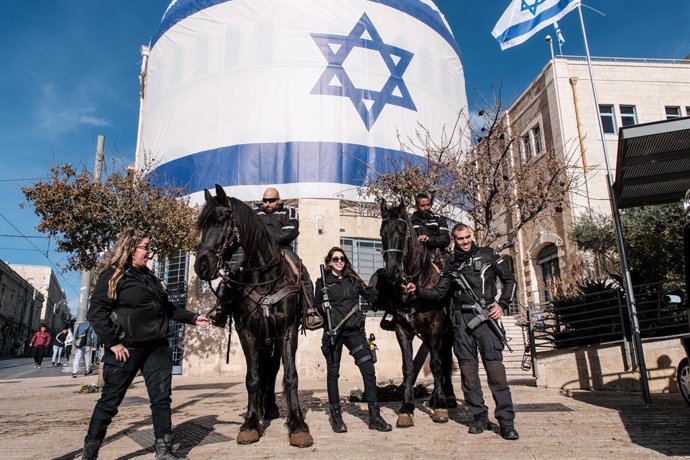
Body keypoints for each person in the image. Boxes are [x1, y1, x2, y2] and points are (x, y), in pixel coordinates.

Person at [82, 228, 211, 460]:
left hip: (157, 348)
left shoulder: (150, 277)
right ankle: (90, 453)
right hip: (127, 349)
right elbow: (97, 313)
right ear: (131, 249)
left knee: (161, 399)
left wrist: (193, 318)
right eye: (146, 247)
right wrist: (113, 343)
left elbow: (168, 308)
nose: (149, 253)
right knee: (109, 402)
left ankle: (164, 450)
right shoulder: (114, 275)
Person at [402, 223, 519, 440]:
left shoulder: (489, 254)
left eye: (467, 237)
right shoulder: (450, 265)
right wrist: (417, 290)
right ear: (454, 240)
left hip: (486, 318)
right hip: (461, 322)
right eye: (460, 239)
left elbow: (509, 280)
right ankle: (478, 417)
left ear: (471, 236)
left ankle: (506, 421)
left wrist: (503, 303)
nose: (464, 242)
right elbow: (438, 293)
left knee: (496, 372)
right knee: (468, 373)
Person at [315, 247, 391, 434]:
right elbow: (316, 307)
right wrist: (323, 306)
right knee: (333, 374)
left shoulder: (353, 279)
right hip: (334, 333)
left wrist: (383, 284)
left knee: (368, 370)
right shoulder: (323, 283)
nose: (339, 261)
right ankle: (336, 417)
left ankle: (374, 417)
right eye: (335, 259)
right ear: (329, 262)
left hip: (354, 331)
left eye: (342, 258)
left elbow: (370, 296)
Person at [411, 193, 450, 264]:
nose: (426, 208)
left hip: (438, 256)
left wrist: (430, 239)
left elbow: (446, 239)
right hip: (416, 257)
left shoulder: (439, 219)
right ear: (417, 206)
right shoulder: (411, 222)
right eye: (422, 205)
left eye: (428, 205)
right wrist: (416, 240)